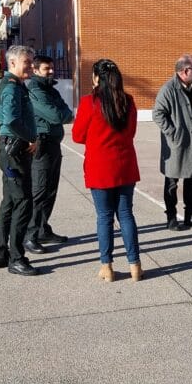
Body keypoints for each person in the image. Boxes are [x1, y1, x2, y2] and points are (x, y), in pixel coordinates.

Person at [71, 58, 142, 283]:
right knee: (126, 215)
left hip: (100, 166)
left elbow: (77, 135)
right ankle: (135, 266)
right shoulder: (128, 101)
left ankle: (107, 266)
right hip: (124, 164)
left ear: (96, 78)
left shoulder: (89, 102)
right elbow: (131, 132)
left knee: (104, 217)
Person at [0, 44, 40, 276]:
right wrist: (31, 137)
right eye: (27, 62)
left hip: (12, 150)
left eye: (32, 62)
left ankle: (1, 254)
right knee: (22, 203)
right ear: (12, 63)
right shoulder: (12, 88)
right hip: (15, 152)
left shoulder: (15, 85)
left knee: (10, 202)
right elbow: (11, 121)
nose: (31, 66)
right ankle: (16, 258)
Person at [153, 53, 192, 231]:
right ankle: (171, 217)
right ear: (185, 70)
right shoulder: (169, 89)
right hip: (177, 146)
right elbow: (158, 114)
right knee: (172, 182)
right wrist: (173, 133)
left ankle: (190, 215)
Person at [24, 53, 73, 252]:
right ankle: (30, 235)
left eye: (52, 68)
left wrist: (63, 114)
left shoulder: (50, 89)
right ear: (35, 70)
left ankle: (43, 229)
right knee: (40, 192)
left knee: (51, 190)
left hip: (53, 144)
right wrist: (63, 114)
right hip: (41, 146)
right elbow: (56, 115)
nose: (51, 71)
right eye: (47, 69)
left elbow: (67, 113)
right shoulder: (34, 89)